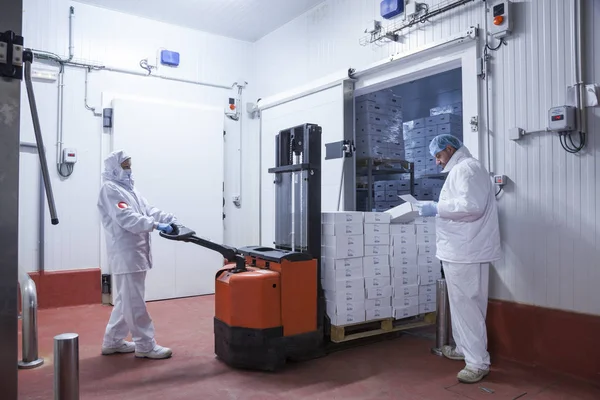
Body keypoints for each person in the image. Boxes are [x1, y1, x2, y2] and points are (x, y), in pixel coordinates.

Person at [416, 134, 501, 384]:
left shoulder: (468, 168)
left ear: (450, 148)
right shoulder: (462, 169)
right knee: (462, 306)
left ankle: (477, 363)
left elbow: (471, 206)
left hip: (467, 251)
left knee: (468, 307)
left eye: (439, 156)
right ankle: (464, 349)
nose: (437, 162)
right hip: (459, 250)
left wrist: (436, 208)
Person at [98, 150, 178, 360]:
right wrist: (156, 225)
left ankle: (113, 341)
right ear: (114, 167)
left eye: (129, 165)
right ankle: (145, 345)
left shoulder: (130, 190)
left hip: (137, 252)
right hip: (126, 253)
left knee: (127, 300)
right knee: (134, 302)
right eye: (125, 165)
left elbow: (148, 210)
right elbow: (127, 218)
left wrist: (167, 218)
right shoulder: (110, 189)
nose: (129, 169)